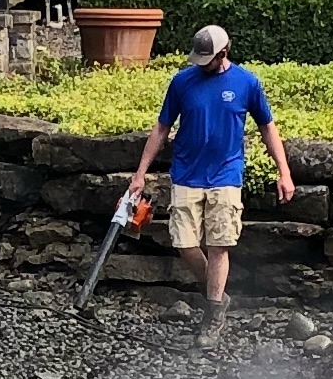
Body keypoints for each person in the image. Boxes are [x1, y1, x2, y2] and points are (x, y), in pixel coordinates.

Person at [119, 23, 295, 333]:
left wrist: (284, 172)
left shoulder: (246, 83)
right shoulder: (182, 82)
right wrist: (140, 174)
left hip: (226, 174)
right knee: (184, 243)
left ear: (223, 53)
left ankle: (212, 315)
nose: (200, 65)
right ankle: (219, 294)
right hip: (187, 172)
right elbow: (162, 127)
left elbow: (268, 127)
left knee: (219, 244)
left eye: (207, 59)